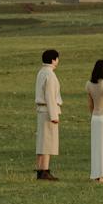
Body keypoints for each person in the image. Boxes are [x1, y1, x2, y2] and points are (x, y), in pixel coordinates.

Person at [34, 48, 62, 181]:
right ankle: (44, 170)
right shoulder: (50, 75)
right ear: (53, 60)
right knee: (47, 142)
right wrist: (54, 115)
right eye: (57, 58)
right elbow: (50, 96)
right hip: (47, 111)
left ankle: (40, 169)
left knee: (42, 142)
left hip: (41, 110)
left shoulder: (41, 72)